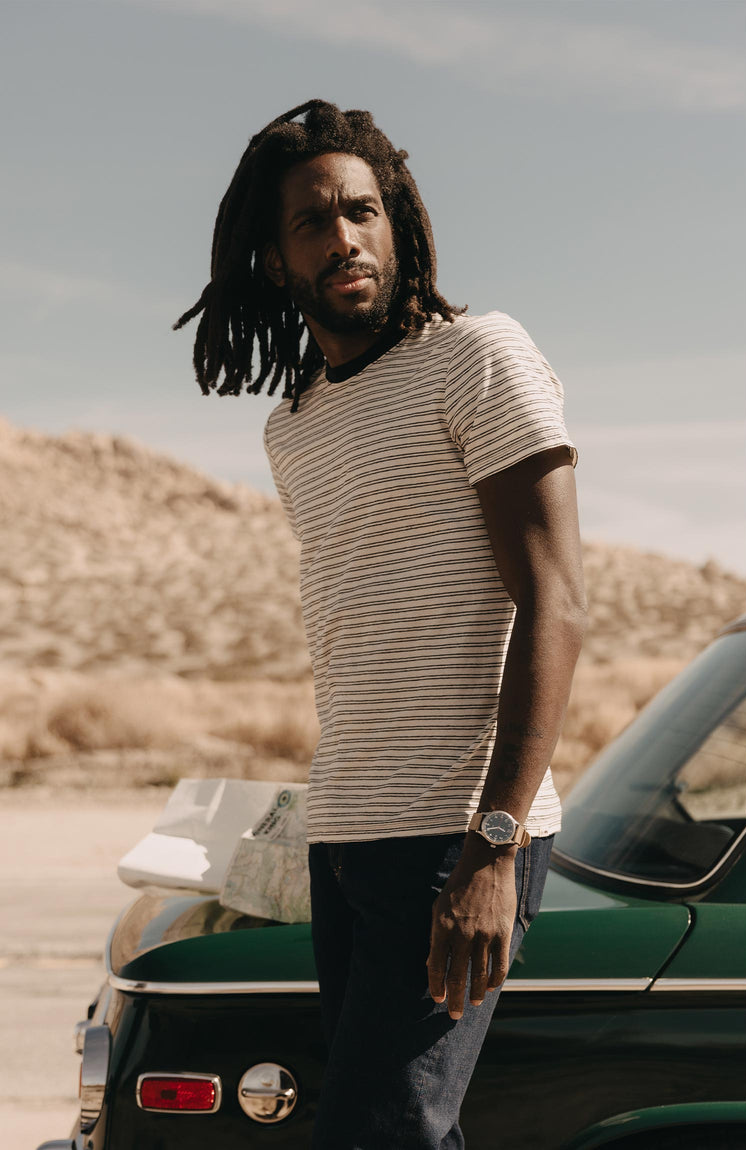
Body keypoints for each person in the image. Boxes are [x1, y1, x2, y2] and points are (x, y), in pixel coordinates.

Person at [176, 99, 587, 1150]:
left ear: (398, 219)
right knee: (409, 1131)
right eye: (314, 221)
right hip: (346, 833)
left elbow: (557, 599)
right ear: (275, 258)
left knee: (375, 1131)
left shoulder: (478, 358)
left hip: (458, 830)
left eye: (363, 210)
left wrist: (494, 842)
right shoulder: (295, 425)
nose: (345, 236)